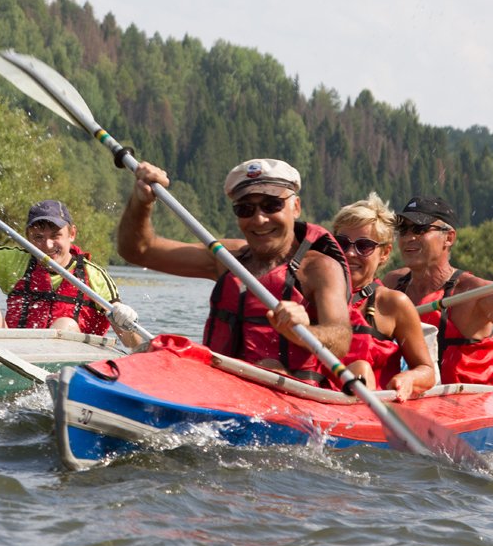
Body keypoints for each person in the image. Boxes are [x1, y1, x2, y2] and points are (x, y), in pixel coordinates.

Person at [117, 158, 353, 386]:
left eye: (272, 206)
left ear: (296, 207)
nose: (259, 219)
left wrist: (304, 331)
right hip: (220, 387)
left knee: (270, 366)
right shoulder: (226, 258)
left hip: (290, 397)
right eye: (245, 209)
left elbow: (341, 339)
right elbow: (139, 250)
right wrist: (142, 202)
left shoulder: (319, 268)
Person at [382, 196, 493, 385]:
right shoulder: (393, 283)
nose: (409, 238)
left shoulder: (473, 292)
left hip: (460, 404)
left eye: (420, 229)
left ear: (449, 237)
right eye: (403, 230)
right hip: (403, 395)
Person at [0, 191, 138, 340]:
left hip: (69, 366)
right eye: (38, 237)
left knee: (65, 325)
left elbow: (131, 343)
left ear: (72, 234)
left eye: (55, 236)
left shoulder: (94, 276)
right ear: (27, 237)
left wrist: (126, 322)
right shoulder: (15, 261)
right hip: (15, 355)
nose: (47, 246)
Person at [331, 194, 436, 400]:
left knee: (360, 369)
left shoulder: (393, 304)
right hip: (317, 397)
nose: (351, 253)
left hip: (370, 402)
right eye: (342, 243)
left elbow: (427, 370)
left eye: (364, 246)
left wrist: (409, 378)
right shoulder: (313, 291)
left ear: (385, 253)